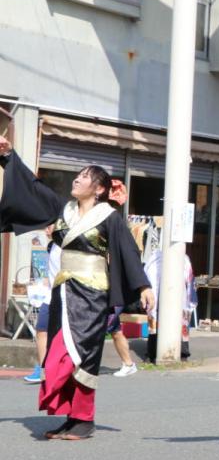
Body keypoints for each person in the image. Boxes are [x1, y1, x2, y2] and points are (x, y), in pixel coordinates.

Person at [0, 138, 154, 441]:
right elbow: (33, 188)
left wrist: (144, 285)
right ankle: (71, 418)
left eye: (85, 176)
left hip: (91, 295)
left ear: (98, 189)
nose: (77, 178)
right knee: (62, 353)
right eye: (78, 174)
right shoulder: (64, 211)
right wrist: (7, 156)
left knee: (79, 356)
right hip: (62, 293)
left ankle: (84, 419)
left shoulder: (108, 217)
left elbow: (127, 252)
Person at [26, 226, 61, 385]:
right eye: (45, 227)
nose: (46, 231)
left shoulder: (65, 247)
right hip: (49, 296)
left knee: (61, 335)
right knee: (41, 329)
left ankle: (60, 369)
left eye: (50, 227)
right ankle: (43, 369)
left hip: (64, 297)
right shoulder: (50, 246)